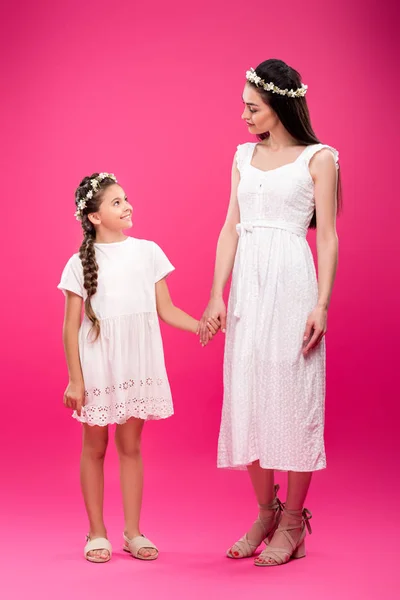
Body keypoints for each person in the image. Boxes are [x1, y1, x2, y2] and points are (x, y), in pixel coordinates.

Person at [199, 59, 340, 566]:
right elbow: (229, 228)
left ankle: (294, 521)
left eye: (252, 106)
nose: (243, 115)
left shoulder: (320, 159)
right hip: (247, 292)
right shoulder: (242, 156)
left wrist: (321, 303)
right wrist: (217, 293)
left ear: (279, 104)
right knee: (250, 394)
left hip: (293, 285)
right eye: (243, 105)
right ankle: (265, 511)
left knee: (295, 396)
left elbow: (325, 235)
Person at [58, 173, 219, 563]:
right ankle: (97, 532)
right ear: (94, 217)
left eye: (126, 198)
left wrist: (199, 324)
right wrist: (75, 379)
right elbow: (70, 326)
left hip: (136, 362)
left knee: (131, 447)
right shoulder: (80, 261)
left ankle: (133, 532)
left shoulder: (148, 252)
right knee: (95, 447)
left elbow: (165, 310)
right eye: (116, 202)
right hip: (98, 365)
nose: (127, 205)